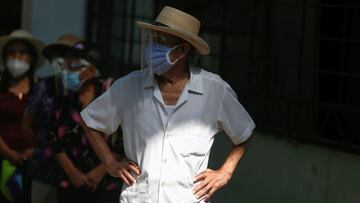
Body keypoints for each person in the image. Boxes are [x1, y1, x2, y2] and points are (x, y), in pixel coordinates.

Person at [80, 6, 255, 203]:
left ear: (182, 50)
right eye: (152, 39)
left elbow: (244, 133)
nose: (152, 47)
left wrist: (225, 172)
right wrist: (110, 163)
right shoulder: (129, 86)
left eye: (161, 41)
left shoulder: (214, 90)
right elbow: (90, 121)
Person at [45, 38, 123, 203]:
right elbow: (53, 138)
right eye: (66, 65)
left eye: (73, 67)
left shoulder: (110, 92)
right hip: (70, 181)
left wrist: (100, 171)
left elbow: (122, 139)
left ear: (91, 70)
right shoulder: (62, 95)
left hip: (107, 181)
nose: (66, 72)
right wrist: (72, 172)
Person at [21, 34, 84, 203]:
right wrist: (41, 146)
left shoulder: (85, 89)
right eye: (58, 56)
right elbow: (26, 126)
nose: (62, 61)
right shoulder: (43, 87)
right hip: (44, 169)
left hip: (76, 173)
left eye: (68, 56)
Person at [0, 29, 45, 203]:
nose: (17, 57)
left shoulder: (41, 88)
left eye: (22, 52)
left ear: (31, 57)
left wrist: (33, 150)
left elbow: (47, 125)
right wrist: (8, 152)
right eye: (12, 52)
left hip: (34, 162)